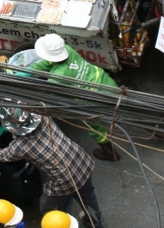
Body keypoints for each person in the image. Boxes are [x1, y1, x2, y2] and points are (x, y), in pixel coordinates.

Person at [0, 107, 105, 228]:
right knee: (88, 197)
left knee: (46, 204)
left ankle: (57, 227)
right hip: (80, 161)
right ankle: (96, 223)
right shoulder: (45, 117)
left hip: (64, 180)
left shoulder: (21, 146)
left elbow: (2, 155)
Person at [20, 34, 120, 162]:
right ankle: (152, 127)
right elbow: (47, 63)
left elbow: (47, 96)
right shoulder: (68, 49)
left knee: (95, 129)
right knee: (130, 109)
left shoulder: (57, 77)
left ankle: (111, 153)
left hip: (89, 102)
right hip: (106, 83)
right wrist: (28, 71)